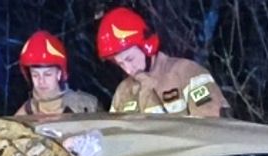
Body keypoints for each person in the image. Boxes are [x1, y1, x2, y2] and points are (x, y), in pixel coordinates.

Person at [97, 7, 229, 117]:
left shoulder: (187, 74)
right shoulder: (123, 92)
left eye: (130, 59)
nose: (128, 70)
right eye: (120, 64)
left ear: (146, 46)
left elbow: (212, 130)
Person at [16, 31, 100, 116]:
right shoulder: (23, 115)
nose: (41, 81)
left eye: (47, 74)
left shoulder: (86, 106)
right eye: (35, 75)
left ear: (59, 74)